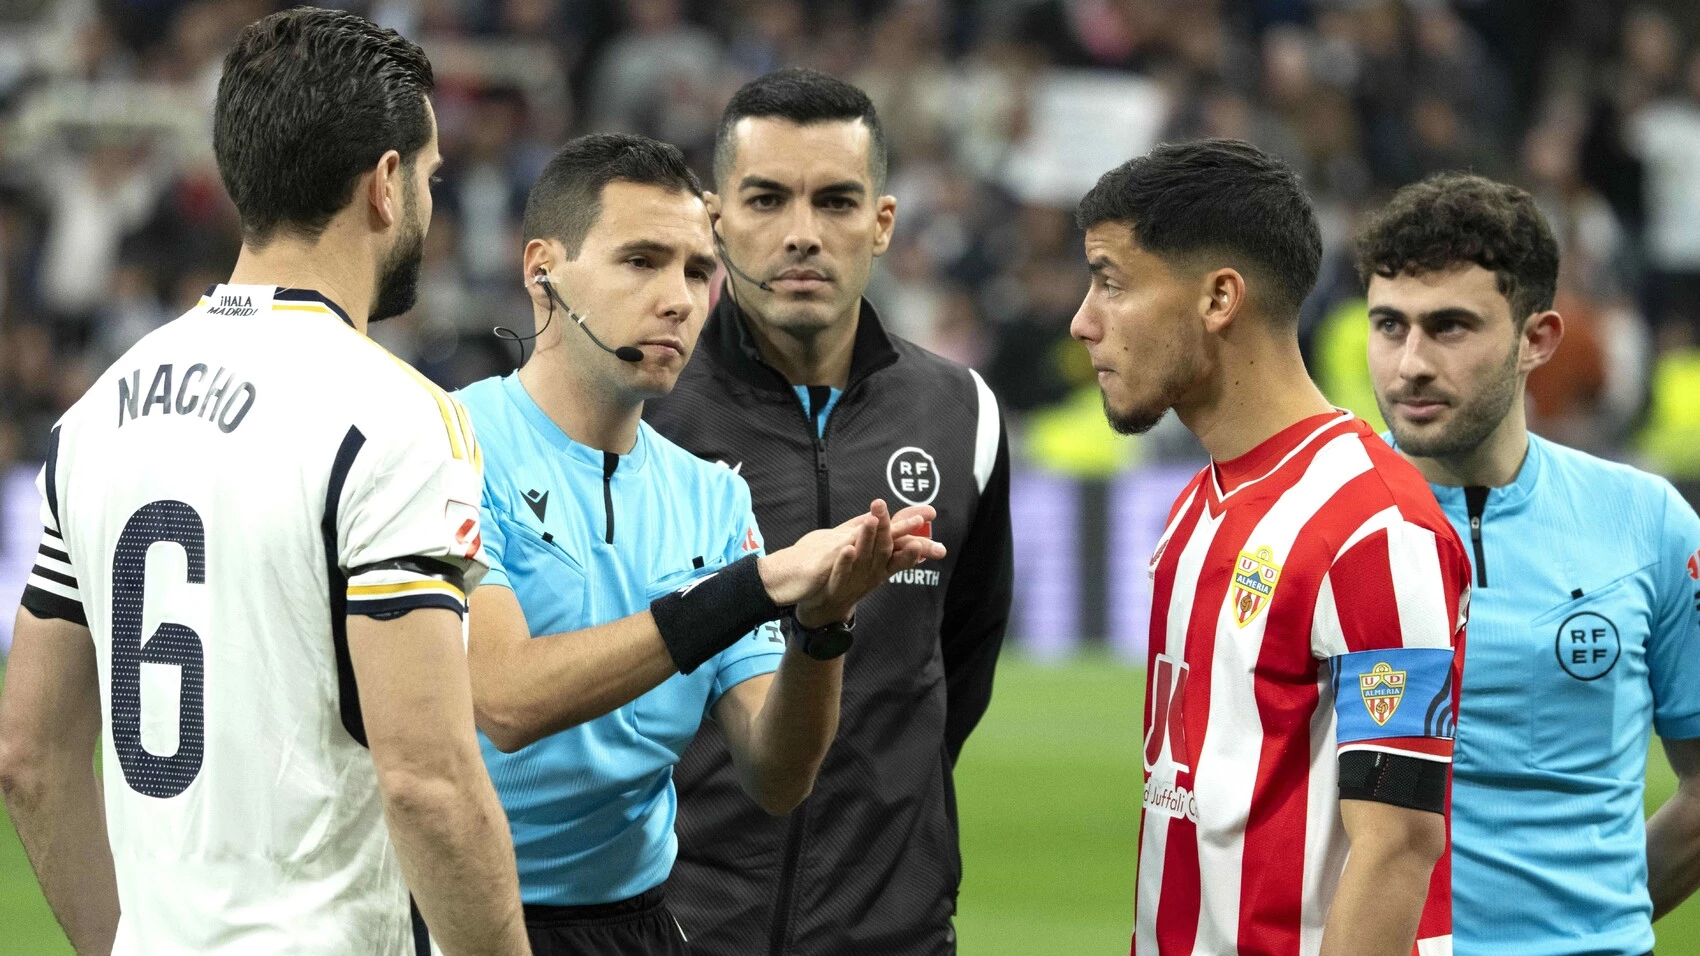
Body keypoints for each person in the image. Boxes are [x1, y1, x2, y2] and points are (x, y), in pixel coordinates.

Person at [0, 9, 528, 956]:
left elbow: (30, 757)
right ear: (387, 184)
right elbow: (428, 783)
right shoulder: (397, 418)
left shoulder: (96, 415)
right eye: (432, 181)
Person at [456, 132, 945, 956]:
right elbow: (505, 703)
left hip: (636, 923)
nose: (679, 298)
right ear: (542, 270)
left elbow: (776, 774)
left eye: (695, 269)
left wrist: (822, 631)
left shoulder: (712, 496)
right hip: (459, 915)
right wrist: (750, 588)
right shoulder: (451, 446)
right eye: (641, 261)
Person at [643, 69, 1014, 955]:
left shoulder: (962, 413)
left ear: (882, 223)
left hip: (893, 933)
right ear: (716, 218)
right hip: (684, 929)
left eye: (836, 201)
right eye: (767, 199)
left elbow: (960, 663)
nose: (802, 234)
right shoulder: (646, 412)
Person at [1070, 139, 1471, 956]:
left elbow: (1398, 848)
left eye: (1112, 281)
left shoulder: (1375, 529)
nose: (1083, 320)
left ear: (1220, 297)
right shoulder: (1198, 504)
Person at [1358, 172, 1700, 954]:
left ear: (1535, 340)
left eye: (1449, 327)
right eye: (1389, 325)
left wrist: (1592, 921)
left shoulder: (1646, 523)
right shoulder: (1316, 520)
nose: (1409, 363)